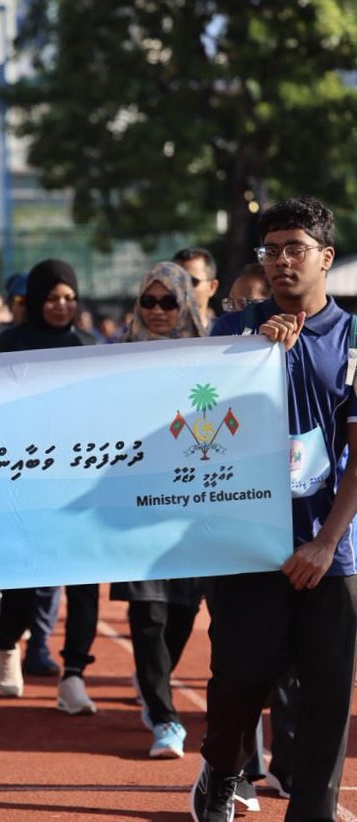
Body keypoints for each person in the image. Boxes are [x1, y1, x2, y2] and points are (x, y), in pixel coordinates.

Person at [192, 197, 357, 822]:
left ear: (326, 258)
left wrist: (324, 543)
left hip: (329, 550)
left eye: (296, 249)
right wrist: (251, 360)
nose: (282, 261)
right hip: (248, 543)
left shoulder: (352, 339)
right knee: (238, 678)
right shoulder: (234, 333)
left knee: (324, 697)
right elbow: (195, 426)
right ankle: (222, 767)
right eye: (271, 250)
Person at [0, 259, 100, 712]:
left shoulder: (91, 347)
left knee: (85, 583)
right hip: (25, 485)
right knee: (24, 582)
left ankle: (73, 675)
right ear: (34, 300)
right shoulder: (3, 348)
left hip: (80, 487)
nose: (61, 306)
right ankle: (9, 643)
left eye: (69, 298)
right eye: (52, 298)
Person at [112, 262, 209, 761]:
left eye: (167, 302)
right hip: (134, 509)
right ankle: (165, 718)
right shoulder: (116, 358)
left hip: (190, 511)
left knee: (182, 614)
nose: (155, 311)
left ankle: (156, 683)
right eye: (147, 302)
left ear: (185, 304)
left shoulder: (212, 357)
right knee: (147, 612)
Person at [172, 246, 219, 326]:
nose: (184, 287)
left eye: (192, 281)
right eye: (177, 280)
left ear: (212, 287)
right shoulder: (155, 336)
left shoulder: (225, 334)